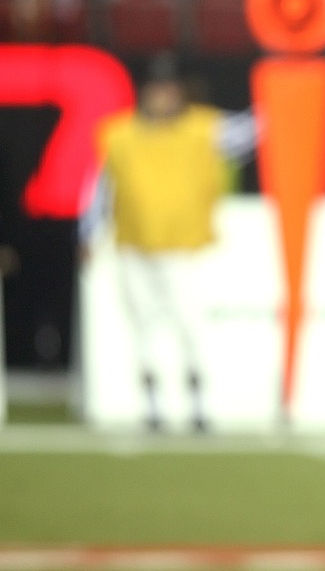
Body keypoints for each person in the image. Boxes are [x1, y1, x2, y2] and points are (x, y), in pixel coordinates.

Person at [85, 55, 256, 433]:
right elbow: (99, 187)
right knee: (143, 326)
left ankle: (198, 408)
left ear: (180, 92)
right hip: (134, 244)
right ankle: (153, 409)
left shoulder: (202, 127)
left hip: (183, 246)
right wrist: (87, 234)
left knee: (189, 324)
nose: (161, 95)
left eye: (168, 88)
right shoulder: (119, 133)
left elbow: (252, 131)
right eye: (155, 88)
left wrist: (280, 89)